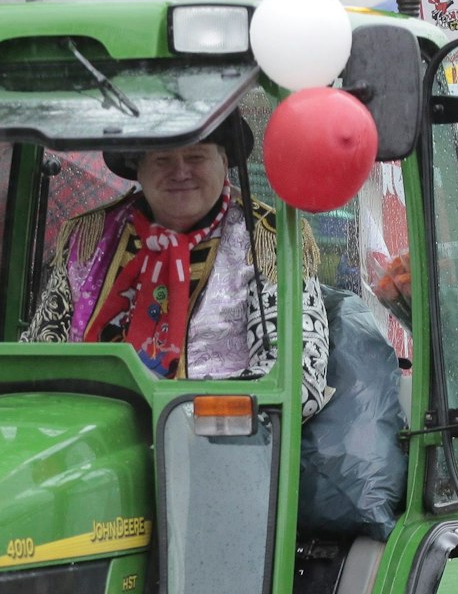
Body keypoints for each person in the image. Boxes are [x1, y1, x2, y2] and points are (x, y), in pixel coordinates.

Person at [23, 115, 329, 420]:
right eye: (162, 159)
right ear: (138, 168)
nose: (180, 172)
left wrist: (179, 417)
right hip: (88, 433)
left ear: (224, 162)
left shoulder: (268, 240)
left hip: (218, 440)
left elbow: (298, 378)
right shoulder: (90, 237)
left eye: (196, 157)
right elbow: (38, 359)